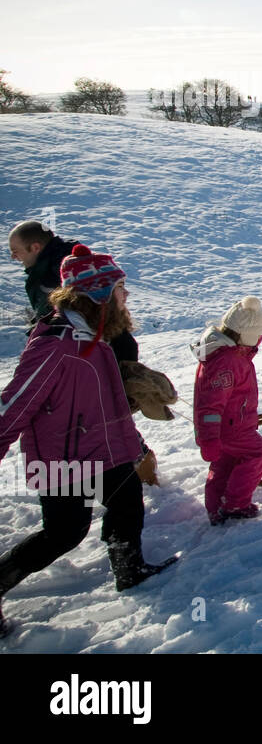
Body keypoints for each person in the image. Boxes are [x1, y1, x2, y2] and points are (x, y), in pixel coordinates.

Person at [0, 244, 175, 635]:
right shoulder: (57, 344)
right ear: (98, 295)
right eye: (118, 289)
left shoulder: (98, 336)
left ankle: (130, 569)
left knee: (128, 507)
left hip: (110, 446)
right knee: (64, 533)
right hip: (67, 458)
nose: (125, 296)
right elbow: (14, 403)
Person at [8, 221, 138, 363]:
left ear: (35, 247)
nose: (13, 257)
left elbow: (90, 312)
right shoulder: (44, 270)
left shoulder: (67, 270)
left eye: (15, 251)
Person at [193, 297, 262, 525]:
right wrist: (209, 438)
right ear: (245, 335)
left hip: (227, 427)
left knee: (224, 461)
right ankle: (236, 504)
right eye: (256, 335)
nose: (259, 340)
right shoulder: (228, 361)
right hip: (232, 427)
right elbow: (211, 405)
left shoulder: (225, 354)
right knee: (258, 453)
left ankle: (216, 506)